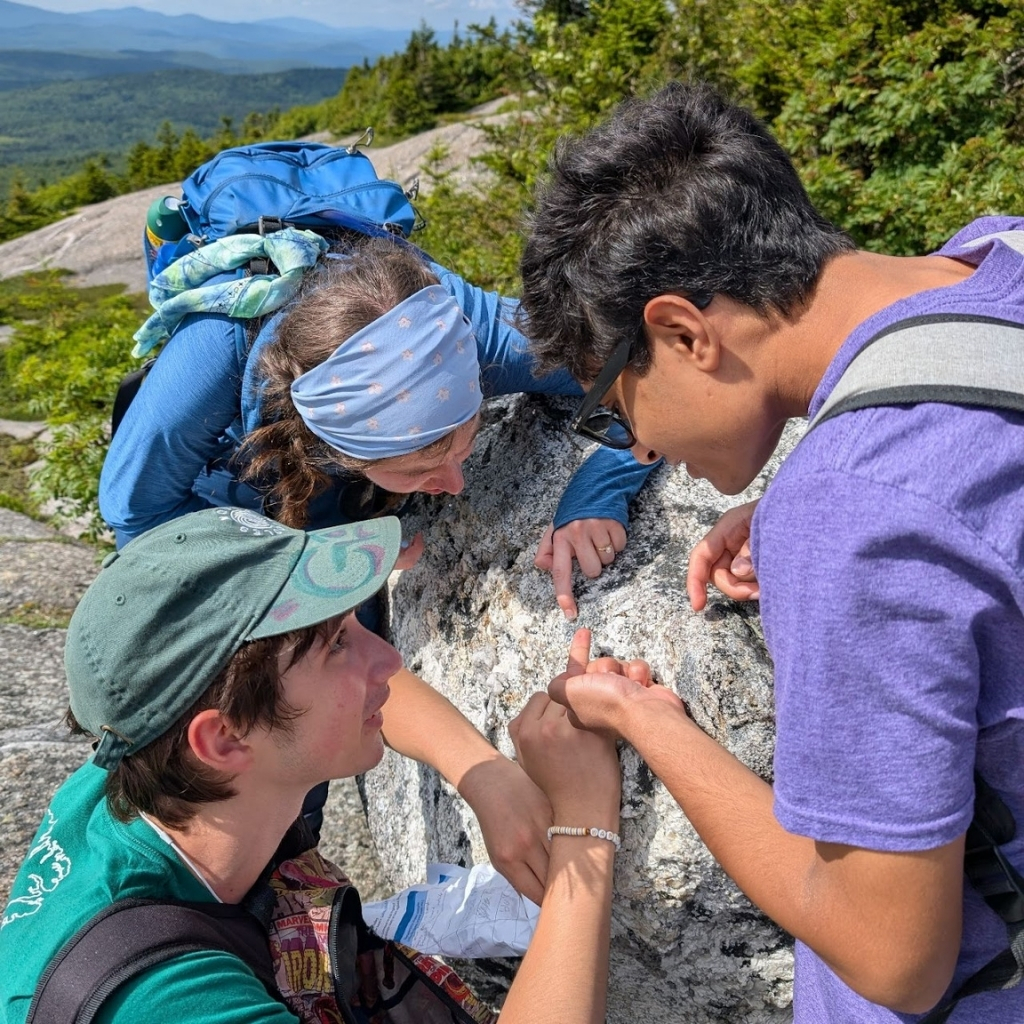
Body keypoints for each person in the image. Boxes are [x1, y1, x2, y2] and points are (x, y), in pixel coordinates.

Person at [518, 81, 1024, 1023]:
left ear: (681, 332)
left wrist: (645, 718)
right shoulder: (997, 251)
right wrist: (832, 488)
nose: (642, 448)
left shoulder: (856, 514)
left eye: (618, 403)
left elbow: (893, 957)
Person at [0, 508, 623, 1024]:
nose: (385, 659)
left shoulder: (151, 775)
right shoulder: (166, 1003)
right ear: (222, 740)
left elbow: (354, 694)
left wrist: (483, 772)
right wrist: (585, 826)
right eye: (336, 645)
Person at [100, 235, 654, 620]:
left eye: (466, 442)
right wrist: (304, 566)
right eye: (421, 467)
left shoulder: (473, 338)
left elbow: (653, 378)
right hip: (234, 477)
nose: (456, 485)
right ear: (334, 451)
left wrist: (597, 491)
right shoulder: (212, 357)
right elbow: (139, 519)